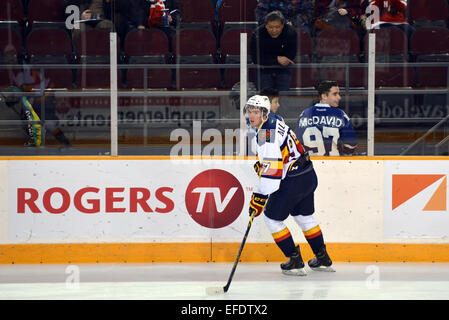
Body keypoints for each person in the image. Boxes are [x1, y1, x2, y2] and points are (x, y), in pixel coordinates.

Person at [246, 95, 335, 276]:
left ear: (264, 114)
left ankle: (294, 260)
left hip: (293, 180)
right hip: (307, 174)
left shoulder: (265, 135)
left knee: (272, 218)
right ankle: (322, 258)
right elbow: (280, 153)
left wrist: (259, 198)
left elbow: (273, 175)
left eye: (256, 112)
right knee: (304, 217)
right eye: (249, 111)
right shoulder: (276, 120)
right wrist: (265, 165)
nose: (251, 116)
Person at [12, 66, 71, 149]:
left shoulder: (37, 76)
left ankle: (66, 143)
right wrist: (13, 100)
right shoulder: (20, 76)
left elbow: (37, 90)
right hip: (32, 105)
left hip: (42, 104)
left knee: (49, 124)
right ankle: (37, 143)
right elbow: (19, 92)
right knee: (28, 124)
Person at [294, 80, 358, 156]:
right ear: (324, 96)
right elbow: (351, 144)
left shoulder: (304, 114)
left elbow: (296, 144)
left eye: (339, 94)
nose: (339, 97)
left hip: (310, 164)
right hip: (334, 164)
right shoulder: (340, 114)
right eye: (335, 94)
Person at [250, 11, 297, 91]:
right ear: (266, 26)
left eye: (277, 27)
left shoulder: (291, 33)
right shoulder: (257, 34)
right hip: (263, 70)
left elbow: (290, 56)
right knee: (265, 99)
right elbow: (256, 58)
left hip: (283, 70)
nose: (274, 30)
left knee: (283, 99)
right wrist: (277, 59)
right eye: (271, 27)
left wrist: (269, 59)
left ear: (282, 25)